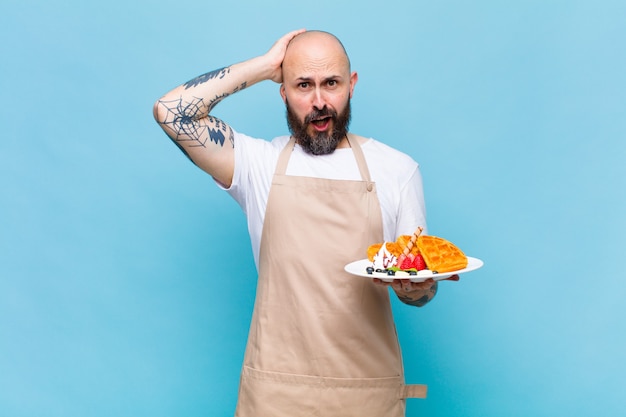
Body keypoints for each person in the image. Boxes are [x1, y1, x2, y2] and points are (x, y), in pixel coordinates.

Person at [153, 29, 443, 417]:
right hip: (275, 395)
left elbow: (417, 291)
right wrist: (266, 65)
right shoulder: (258, 164)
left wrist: (417, 287)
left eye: (332, 84)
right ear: (283, 91)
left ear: (352, 85)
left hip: (366, 394)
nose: (320, 102)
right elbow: (172, 112)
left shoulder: (398, 170)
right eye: (303, 85)